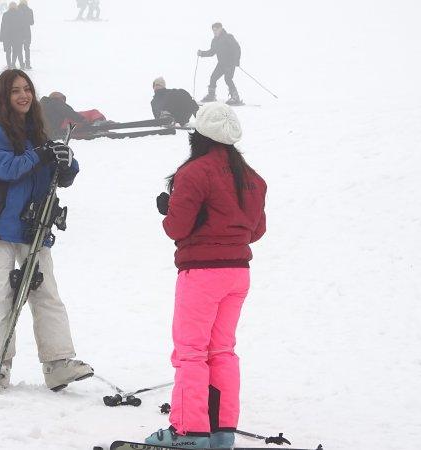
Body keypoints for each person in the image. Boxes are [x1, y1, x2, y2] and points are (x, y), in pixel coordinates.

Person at [145, 102, 267, 448]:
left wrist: (168, 210)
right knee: (222, 351)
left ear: (199, 135)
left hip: (201, 274)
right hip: (238, 275)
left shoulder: (194, 173)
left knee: (191, 353)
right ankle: (220, 432)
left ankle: (188, 431)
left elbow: (177, 227)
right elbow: (255, 230)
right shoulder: (253, 179)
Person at [0, 69, 94, 392]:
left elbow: (51, 172)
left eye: (26, 89)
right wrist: (41, 154)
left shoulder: (38, 131)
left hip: (33, 225)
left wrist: (65, 163)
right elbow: (7, 168)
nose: (23, 95)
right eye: (15, 91)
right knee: (2, 295)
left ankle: (57, 363)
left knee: (46, 292)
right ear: (3, 96)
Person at [198, 23, 242, 106]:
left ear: (221, 28)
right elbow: (211, 52)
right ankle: (211, 96)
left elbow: (237, 48)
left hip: (230, 63)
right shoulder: (215, 40)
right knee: (213, 78)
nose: (215, 32)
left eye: (216, 29)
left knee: (228, 79)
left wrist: (236, 60)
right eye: (213, 30)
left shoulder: (228, 37)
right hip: (221, 64)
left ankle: (235, 97)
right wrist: (202, 53)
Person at [40, 91, 108, 138]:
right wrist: (82, 119)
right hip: (62, 123)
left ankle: (92, 124)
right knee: (92, 112)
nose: (64, 101)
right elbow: (67, 111)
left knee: (80, 118)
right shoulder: (55, 102)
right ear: (56, 97)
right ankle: (99, 122)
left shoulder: (42, 106)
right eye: (63, 98)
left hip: (53, 129)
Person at [0, 2, 23, 69]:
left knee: (8, 51)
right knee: (15, 51)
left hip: (7, 36)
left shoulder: (5, 14)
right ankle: (13, 64)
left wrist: (1, 37)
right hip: (17, 36)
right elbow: (22, 26)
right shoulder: (19, 14)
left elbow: (2, 26)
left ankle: (9, 65)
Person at [18, 0, 34, 69]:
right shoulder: (29, 10)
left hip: (18, 32)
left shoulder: (17, 10)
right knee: (27, 49)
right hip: (27, 32)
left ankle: (22, 64)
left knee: (19, 49)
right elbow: (32, 22)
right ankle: (28, 64)